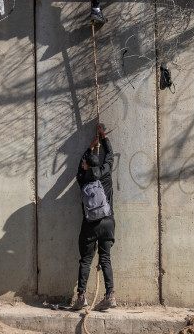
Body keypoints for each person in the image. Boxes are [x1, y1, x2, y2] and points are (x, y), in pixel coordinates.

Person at [73, 122, 116, 311]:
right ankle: (110, 296)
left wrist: (91, 146)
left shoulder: (82, 178)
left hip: (90, 224)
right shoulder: (105, 172)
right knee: (105, 258)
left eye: (84, 163)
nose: (82, 164)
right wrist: (103, 136)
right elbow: (110, 157)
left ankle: (81, 297)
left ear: (86, 165)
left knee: (86, 260)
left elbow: (80, 168)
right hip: (108, 222)